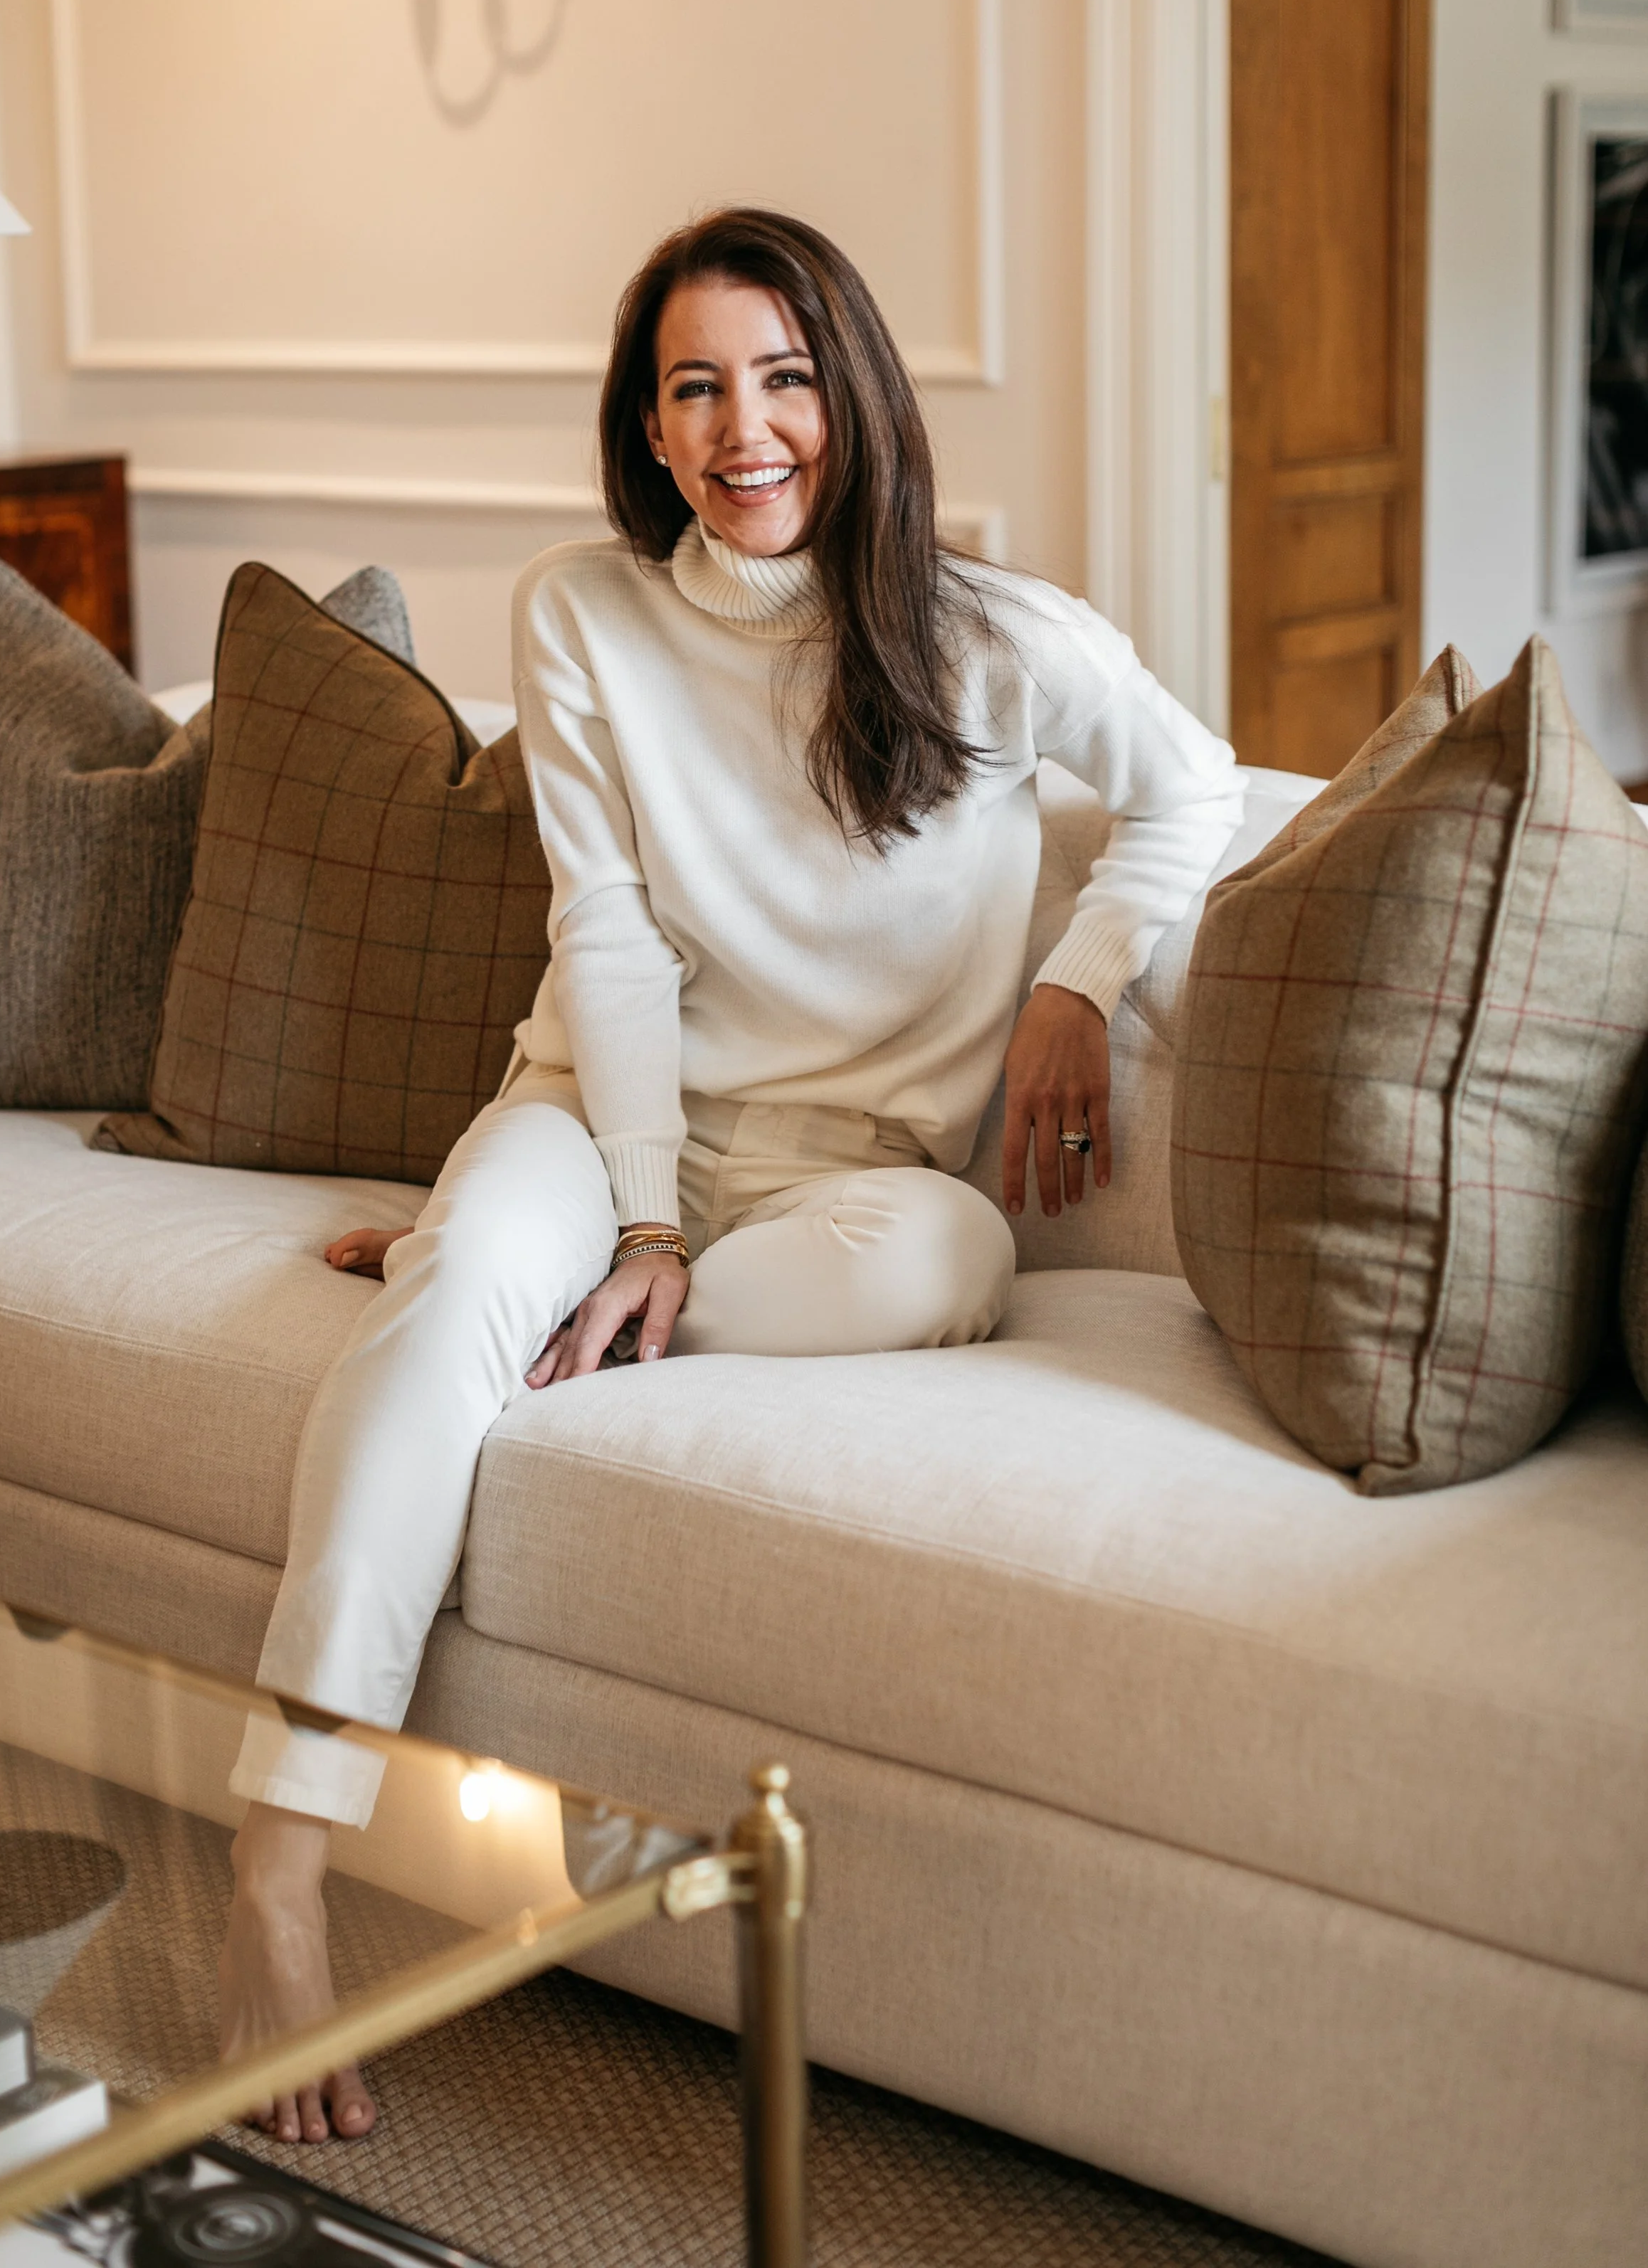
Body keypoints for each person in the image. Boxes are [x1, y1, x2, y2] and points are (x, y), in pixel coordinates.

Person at [215, 208, 1243, 2143]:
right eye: (694, 388)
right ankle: (278, 1869)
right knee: (459, 1302)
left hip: (848, 1179)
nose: (742, 429)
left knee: (950, 1260)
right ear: (649, 425)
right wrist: (638, 1213)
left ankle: (502, 1286)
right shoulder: (584, 612)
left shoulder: (993, 637)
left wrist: (1079, 982)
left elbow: (1193, 780)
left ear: (854, 394)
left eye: (783, 378)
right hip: (606, 1122)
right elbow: (603, 933)